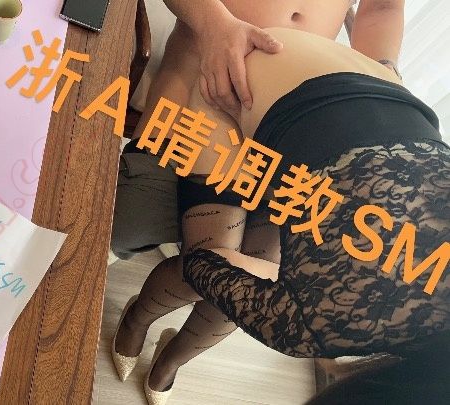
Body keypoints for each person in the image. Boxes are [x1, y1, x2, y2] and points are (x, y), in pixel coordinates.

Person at [117, 26, 449, 404]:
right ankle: (136, 319)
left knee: (255, 296)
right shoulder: (325, 322)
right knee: (219, 274)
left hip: (369, 100)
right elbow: (203, 265)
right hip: (244, 81)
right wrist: (294, 285)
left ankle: (170, 362)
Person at [111, 0, 405, 260]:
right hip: (192, 101)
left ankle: (154, 306)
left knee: (254, 273)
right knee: (131, 217)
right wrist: (215, 26)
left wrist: (382, 69)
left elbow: (384, 7)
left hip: (282, 129)